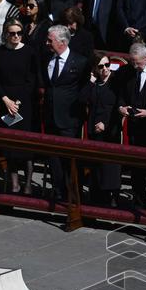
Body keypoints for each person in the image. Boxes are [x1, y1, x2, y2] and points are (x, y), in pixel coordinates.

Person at [0, 20, 38, 193]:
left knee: (25, 146)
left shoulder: (29, 52)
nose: (16, 36)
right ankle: (14, 183)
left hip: (23, 104)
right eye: (12, 33)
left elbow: (31, 80)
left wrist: (17, 102)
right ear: (6, 34)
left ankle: (28, 184)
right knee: (9, 147)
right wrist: (6, 100)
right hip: (5, 103)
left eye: (19, 32)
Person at [40, 24, 87, 200]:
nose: (46, 43)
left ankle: (74, 195)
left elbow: (84, 89)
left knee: (70, 160)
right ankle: (59, 194)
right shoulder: (47, 58)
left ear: (62, 42)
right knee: (54, 160)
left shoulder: (80, 62)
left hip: (69, 119)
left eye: (50, 40)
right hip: (51, 117)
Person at [117, 42, 146, 207]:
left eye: (137, 62)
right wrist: (121, 107)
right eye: (132, 62)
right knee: (136, 167)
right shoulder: (128, 72)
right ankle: (139, 201)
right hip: (134, 126)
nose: (134, 65)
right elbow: (121, 93)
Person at [80, 52, 123, 206]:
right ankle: (97, 196)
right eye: (101, 66)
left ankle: (112, 196)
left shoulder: (116, 82)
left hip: (110, 128)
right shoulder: (94, 83)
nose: (105, 69)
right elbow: (82, 99)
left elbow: (118, 106)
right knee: (96, 165)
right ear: (95, 69)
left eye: (107, 65)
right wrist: (91, 81)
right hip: (94, 128)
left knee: (110, 165)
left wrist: (105, 123)